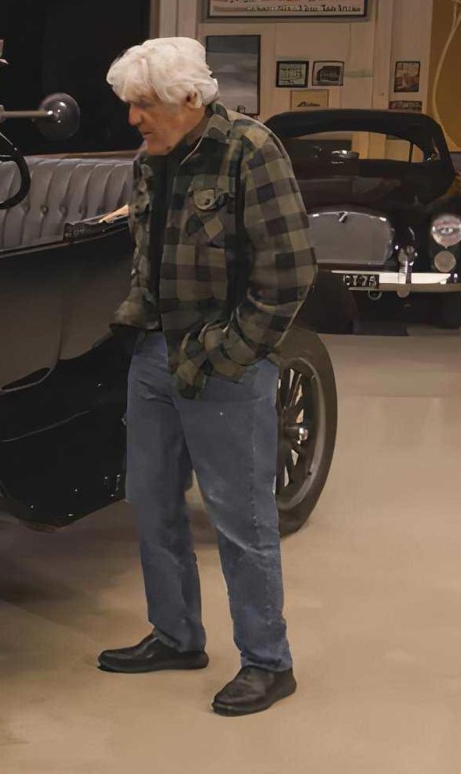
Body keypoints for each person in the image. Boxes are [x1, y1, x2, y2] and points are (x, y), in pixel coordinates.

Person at [96, 37, 317, 716]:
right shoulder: (152, 159)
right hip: (154, 355)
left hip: (223, 364)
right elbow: (152, 244)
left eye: (146, 105)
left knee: (240, 519)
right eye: (130, 104)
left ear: (190, 100)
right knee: (152, 501)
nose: (134, 118)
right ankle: (176, 635)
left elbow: (289, 271)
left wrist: (228, 352)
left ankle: (267, 660)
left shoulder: (250, 151)